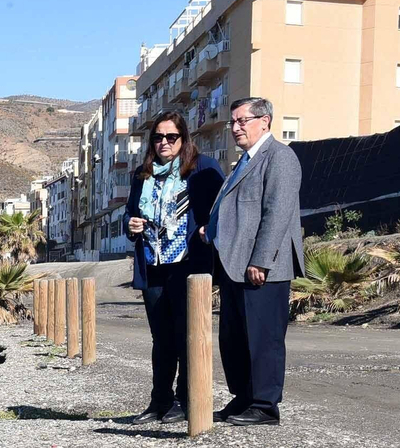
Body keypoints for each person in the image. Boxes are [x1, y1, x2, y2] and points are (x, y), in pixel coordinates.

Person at [201, 96, 304, 426]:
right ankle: (244, 396)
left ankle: (265, 405)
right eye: (233, 122)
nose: (235, 127)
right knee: (235, 338)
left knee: (264, 337)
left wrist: (262, 261)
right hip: (234, 265)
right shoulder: (244, 162)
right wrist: (211, 229)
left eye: (242, 121)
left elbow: (276, 214)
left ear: (265, 121)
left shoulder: (280, 158)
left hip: (262, 268)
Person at [124, 111, 224, 423]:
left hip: (187, 265)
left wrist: (209, 228)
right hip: (153, 264)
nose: (164, 142)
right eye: (158, 137)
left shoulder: (202, 168)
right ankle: (160, 401)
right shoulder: (143, 173)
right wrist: (131, 224)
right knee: (162, 338)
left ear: (183, 139)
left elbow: (222, 205)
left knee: (187, 335)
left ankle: (186, 400)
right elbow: (129, 212)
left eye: (171, 137)